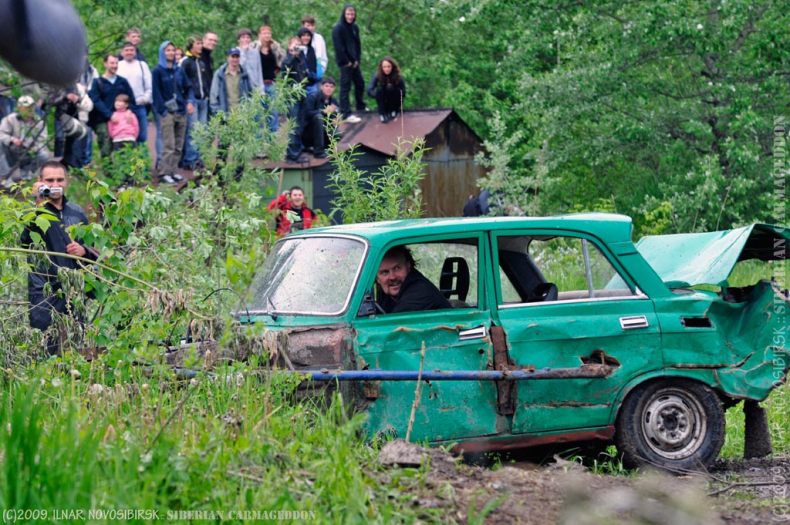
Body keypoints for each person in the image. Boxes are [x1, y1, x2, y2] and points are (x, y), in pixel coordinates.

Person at [21, 161, 99, 354]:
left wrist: (84, 250)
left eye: (59, 180)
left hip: (73, 290)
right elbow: (23, 241)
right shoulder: (33, 212)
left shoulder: (77, 213)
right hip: (44, 291)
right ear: (40, 182)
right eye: (49, 180)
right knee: (47, 351)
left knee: (77, 349)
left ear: (67, 182)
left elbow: (94, 251)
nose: (55, 183)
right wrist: (38, 204)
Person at [152, 41, 195, 184]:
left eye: (172, 50)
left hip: (181, 111)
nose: (170, 53)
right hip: (167, 113)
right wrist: (163, 111)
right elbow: (156, 93)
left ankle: (173, 171)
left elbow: (188, 87)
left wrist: (189, 102)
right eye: (167, 50)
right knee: (168, 144)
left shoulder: (179, 70)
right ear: (162, 52)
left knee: (178, 145)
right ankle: (164, 173)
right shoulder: (158, 71)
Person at [375, 246, 451, 314]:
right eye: (385, 272)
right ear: (377, 278)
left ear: (408, 266)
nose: (392, 277)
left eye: (397, 268)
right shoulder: (385, 294)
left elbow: (393, 325)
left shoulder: (420, 291)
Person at [88, 54, 136, 158]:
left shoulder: (122, 81)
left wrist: (130, 110)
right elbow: (95, 100)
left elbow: (131, 99)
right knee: (106, 148)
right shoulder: (98, 82)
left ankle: (130, 172)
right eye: (112, 63)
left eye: (116, 63)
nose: (114, 65)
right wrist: (109, 115)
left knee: (126, 147)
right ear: (105, 64)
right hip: (103, 120)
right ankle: (108, 172)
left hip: (121, 121)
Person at [0, 95, 50, 188]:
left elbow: (42, 140)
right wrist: (12, 140)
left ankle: (26, 172)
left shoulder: (39, 122)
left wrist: (33, 148)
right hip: (11, 151)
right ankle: (6, 177)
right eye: (25, 107)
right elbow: (1, 134)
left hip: (28, 153)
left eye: (30, 107)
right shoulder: (10, 119)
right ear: (19, 108)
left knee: (44, 155)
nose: (28, 110)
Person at [243, 25, 285, 132]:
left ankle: (272, 141)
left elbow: (281, 61)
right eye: (264, 33)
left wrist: (276, 73)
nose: (267, 35)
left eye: (269, 33)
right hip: (257, 84)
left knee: (273, 113)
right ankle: (258, 141)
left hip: (271, 84)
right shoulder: (253, 47)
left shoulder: (275, 47)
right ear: (259, 35)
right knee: (258, 114)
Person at [332, 4, 365, 123]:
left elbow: (357, 45)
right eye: (348, 14)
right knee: (345, 87)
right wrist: (346, 61)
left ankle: (360, 106)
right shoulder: (338, 28)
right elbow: (339, 47)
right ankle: (345, 113)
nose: (350, 16)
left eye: (352, 14)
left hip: (355, 62)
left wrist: (357, 60)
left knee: (360, 84)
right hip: (345, 63)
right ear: (344, 14)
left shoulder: (355, 28)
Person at [181, 36, 210, 169]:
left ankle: (199, 158)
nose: (201, 46)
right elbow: (183, 83)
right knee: (193, 130)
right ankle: (190, 159)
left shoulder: (201, 62)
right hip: (192, 100)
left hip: (203, 100)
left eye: (201, 43)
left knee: (202, 130)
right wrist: (188, 100)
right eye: (198, 43)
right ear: (191, 46)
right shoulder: (186, 62)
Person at [282, 37, 312, 162]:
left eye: (299, 45)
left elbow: (306, 73)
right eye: (295, 45)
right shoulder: (288, 58)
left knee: (299, 124)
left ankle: (297, 151)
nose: (297, 47)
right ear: (289, 46)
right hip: (292, 96)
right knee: (293, 124)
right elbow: (285, 70)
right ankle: (292, 155)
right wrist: (292, 54)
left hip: (302, 94)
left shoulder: (302, 58)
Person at [116, 41, 152, 144]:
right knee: (125, 137)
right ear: (122, 52)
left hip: (139, 105)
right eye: (126, 50)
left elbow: (149, 85)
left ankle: (139, 160)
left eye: (131, 50)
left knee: (141, 137)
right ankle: (126, 160)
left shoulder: (142, 65)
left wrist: (145, 99)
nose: (129, 52)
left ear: (135, 52)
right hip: (122, 108)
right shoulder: (118, 65)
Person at [303, 77, 340, 158]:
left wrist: (336, 118)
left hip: (324, 131)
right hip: (309, 132)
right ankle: (318, 152)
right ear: (321, 87)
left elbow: (337, 114)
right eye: (326, 86)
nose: (329, 89)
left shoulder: (333, 100)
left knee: (338, 132)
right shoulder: (313, 97)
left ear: (334, 89)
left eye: (331, 87)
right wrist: (323, 111)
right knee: (319, 117)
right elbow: (306, 113)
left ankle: (329, 148)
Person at [210, 48, 252, 114]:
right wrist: (216, 111)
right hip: (225, 113)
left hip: (242, 114)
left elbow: (250, 92)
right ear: (227, 58)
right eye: (232, 57)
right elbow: (214, 94)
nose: (235, 59)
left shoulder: (244, 74)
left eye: (237, 57)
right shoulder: (219, 74)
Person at [367, 56, 405, 123]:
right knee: (380, 90)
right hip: (383, 101)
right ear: (381, 67)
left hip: (395, 101)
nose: (386, 69)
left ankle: (394, 110)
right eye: (384, 67)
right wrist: (379, 95)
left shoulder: (398, 76)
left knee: (391, 88)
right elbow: (369, 90)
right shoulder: (377, 75)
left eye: (388, 66)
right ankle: (382, 113)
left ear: (392, 67)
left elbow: (403, 92)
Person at [297, 27, 320, 97]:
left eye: (308, 35)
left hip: (311, 83)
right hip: (298, 84)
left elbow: (313, 67)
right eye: (303, 35)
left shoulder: (311, 50)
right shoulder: (295, 49)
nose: (306, 38)